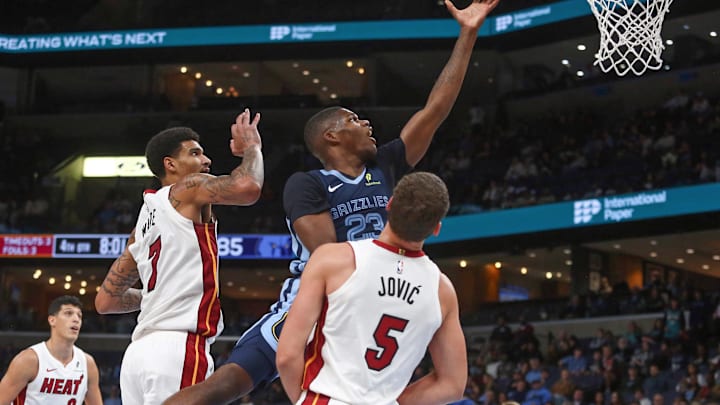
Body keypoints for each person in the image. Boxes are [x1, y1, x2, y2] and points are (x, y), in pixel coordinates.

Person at [163, 1, 500, 403]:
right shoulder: (307, 183)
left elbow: (437, 108)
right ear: (331, 136)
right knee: (225, 386)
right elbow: (329, 254)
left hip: (369, 301)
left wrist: (468, 34)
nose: (367, 124)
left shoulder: (387, 166)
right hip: (315, 300)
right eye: (355, 120)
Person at [95, 108, 264, 404]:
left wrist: (151, 296)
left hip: (137, 355)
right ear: (170, 164)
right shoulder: (187, 188)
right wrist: (252, 148)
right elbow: (247, 188)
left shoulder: (142, 223)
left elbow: (105, 301)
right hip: (177, 348)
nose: (206, 160)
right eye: (196, 154)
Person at [276, 172, 467, 404]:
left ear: (390, 204)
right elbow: (453, 385)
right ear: (436, 228)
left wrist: (306, 400)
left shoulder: (334, 259)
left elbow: (287, 356)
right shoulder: (442, 290)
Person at [0, 295, 102, 405]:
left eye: (79, 316)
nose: (76, 319)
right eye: (68, 313)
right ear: (52, 320)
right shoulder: (29, 360)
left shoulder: (87, 363)